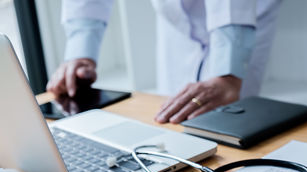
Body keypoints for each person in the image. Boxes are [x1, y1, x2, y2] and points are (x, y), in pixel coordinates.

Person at [47, 0, 281, 124]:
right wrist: (81, 50)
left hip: (243, 14)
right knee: (174, 116)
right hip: (176, 20)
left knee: (230, 120)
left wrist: (228, 74)